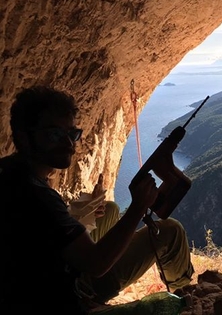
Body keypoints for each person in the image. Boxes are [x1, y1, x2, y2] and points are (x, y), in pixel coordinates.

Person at [0, 85, 194, 314]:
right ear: (24, 137)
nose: (69, 144)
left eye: (72, 134)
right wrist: (137, 208)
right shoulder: (37, 195)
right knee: (169, 230)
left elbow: (41, 232)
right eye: (54, 135)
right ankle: (185, 293)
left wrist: (77, 218)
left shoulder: (10, 171)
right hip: (71, 289)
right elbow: (96, 263)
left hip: (37, 273)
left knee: (109, 208)